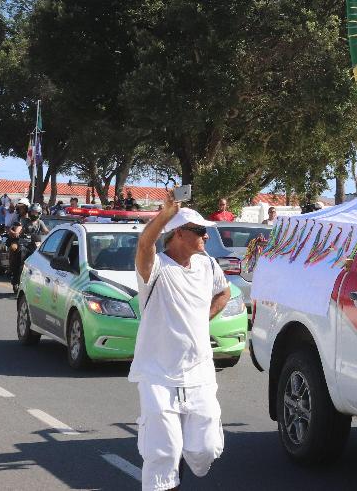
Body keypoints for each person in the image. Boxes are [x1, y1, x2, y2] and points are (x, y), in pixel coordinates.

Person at [131, 194, 230, 491]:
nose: (206, 235)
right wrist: (164, 214)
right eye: (199, 231)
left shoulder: (207, 265)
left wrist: (201, 320)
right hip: (158, 375)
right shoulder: (156, 267)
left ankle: (183, 457)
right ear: (178, 233)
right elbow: (144, 244)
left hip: (199, 373)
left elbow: (223, 293)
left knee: (206, 448)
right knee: (163, 452)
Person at [9, 201, 49, 291]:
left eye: (36, 213)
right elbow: (20, 228)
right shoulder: (25, 220)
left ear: (39, 213)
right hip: (24, 243)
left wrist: (51, 234)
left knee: (41, 258)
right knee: (20, 254)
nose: (34, 214)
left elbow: (46, 231)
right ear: (29, 212)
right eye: (32, 212)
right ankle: (16, 278)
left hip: (35, 245)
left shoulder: (40, 222)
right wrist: (17, 233)